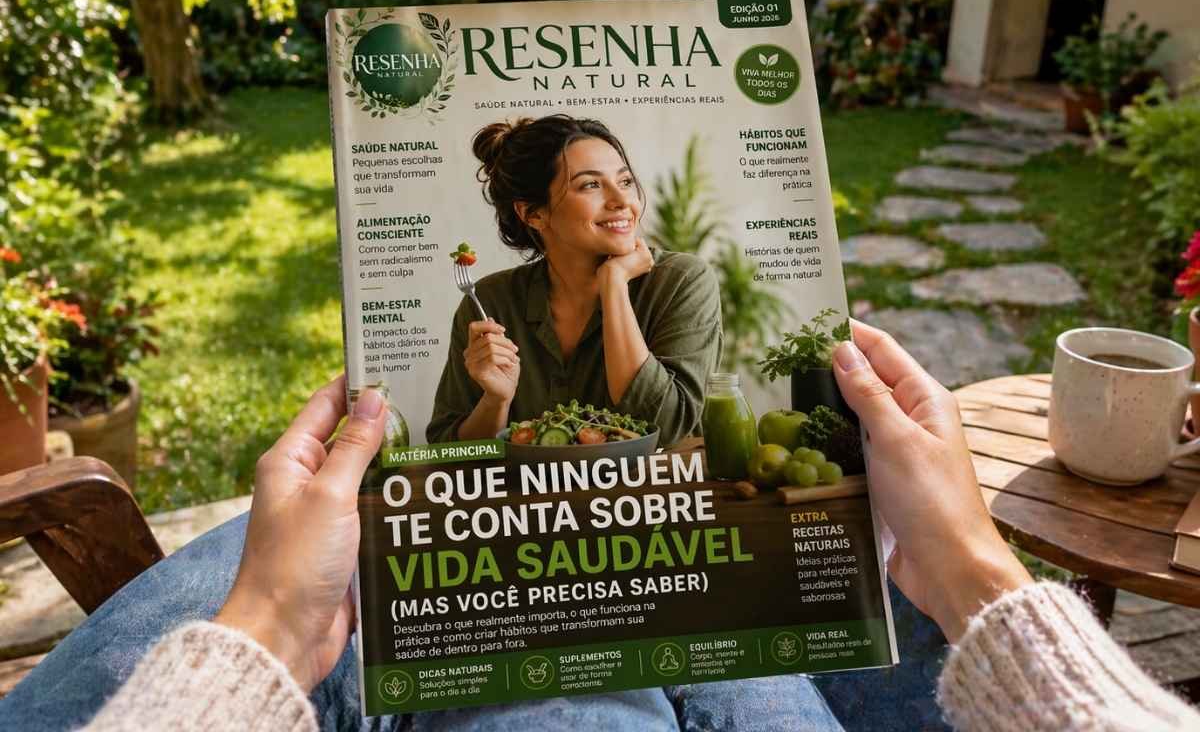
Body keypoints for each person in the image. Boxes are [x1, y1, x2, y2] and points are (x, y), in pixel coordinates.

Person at [3, 324, 1197, 730]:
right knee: (745, 577)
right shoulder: (507, 310)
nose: (616, 198)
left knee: (489, 604)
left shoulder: (660, 294)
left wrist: (263, 625)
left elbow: (665, 401)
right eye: (587, 182)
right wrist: (977, 573)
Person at [426, 115, 722, 447]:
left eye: (624, 182)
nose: (622, 201)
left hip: (650, 497)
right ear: (533, 214)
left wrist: (614, 284)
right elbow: (450, 451)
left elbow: (665, 428)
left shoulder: (681, 282)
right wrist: (495, 401)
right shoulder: (490, 303)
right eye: (590, 185)